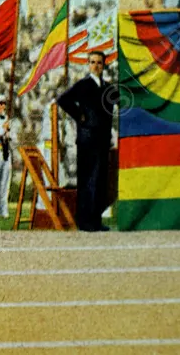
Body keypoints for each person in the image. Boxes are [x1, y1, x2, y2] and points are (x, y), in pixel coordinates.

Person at [57, 50, 117, 232]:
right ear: (88, 64)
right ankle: (84, 221)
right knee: (87, 180)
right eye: (92, 62)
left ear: (104, 65)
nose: (96, 65)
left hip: (103, 140)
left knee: (100, 181)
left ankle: (96, 220)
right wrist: (80, 116)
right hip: (87, 139)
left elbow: (123, 100)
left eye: (99, 62)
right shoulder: (83, 85)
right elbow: (63, 100)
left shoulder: (108, 87)